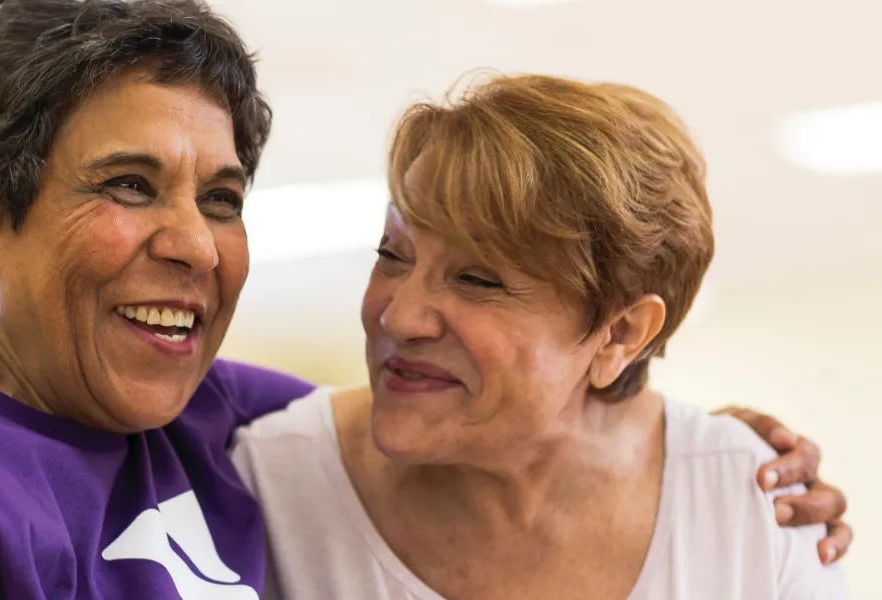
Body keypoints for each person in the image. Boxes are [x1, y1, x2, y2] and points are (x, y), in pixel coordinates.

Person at [0, 2, 850, 599]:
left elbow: (475, 407)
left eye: (223, 195)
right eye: (128, 186)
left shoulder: (198, 418)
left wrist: (697, 450)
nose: (192, 244)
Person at [231, 74, 850, 598]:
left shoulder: (752, 504)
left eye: (476, 279)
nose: (400, 316)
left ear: (620, 335)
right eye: (392, 255)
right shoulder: (273, 480)